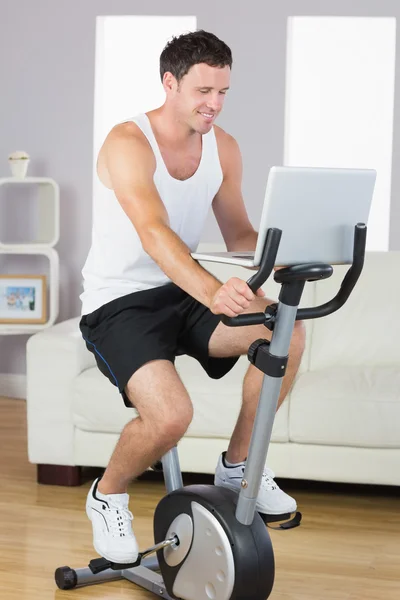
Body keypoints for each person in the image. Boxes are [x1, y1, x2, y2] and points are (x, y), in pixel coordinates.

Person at [80, 29, 305, 564]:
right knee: (171, 416)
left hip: (180, 290)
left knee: (286, 330)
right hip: (120, 303)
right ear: (169, 82)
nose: (215, 104)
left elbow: (240, 236)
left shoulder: (222, 147)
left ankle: (239, 465)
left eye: (223, 92)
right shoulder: (127, 142)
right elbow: (154, 234)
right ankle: (107, 495)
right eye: (204, 90)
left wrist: (284, 251)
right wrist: (211, 289)